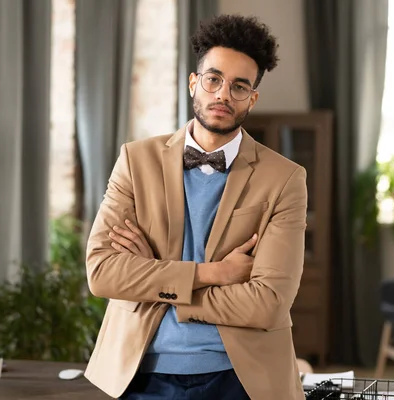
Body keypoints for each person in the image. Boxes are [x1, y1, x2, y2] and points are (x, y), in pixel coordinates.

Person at [84, 14, 307, 400]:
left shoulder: (285, 178)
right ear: (194, 83)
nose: (223, 94)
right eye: (213, 79)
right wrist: (212, 273)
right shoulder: (136, 161)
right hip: (139, 373)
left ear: (252, 99)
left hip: (239, 378)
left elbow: (269, 303)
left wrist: (159, 281)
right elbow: (102, 273)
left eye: (239, 87)